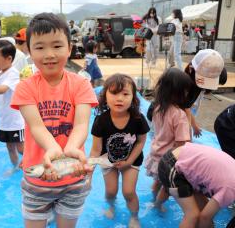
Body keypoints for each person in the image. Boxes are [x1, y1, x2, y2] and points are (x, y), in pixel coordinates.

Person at [10, 13, 98, 228]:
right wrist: (54, 150)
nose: (49, 54)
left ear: (69, 48)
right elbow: (36, 126)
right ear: (29, 51)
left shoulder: (81, 85)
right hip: (38, 181)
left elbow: (81, 124)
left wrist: (70, 149)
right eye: (40, 47)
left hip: (74, 178)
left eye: (57, 46)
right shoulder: (25, 88)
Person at [90, 74, 149, 227]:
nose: (119, 98)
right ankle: (111, 206)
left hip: (131, 160)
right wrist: (88, 174)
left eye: (125, 94)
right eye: (114, 93)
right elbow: (96, 150)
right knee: (111, 191)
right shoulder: (101, 121)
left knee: (128, 192)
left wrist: (128, 162)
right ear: (105, 97)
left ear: (134, 98)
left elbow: (141, 141)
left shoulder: (138, 119)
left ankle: (134, 216)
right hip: (107, 161)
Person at [145, 68, 192, 210]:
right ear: (179, 92)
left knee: (158, 183)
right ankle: (158, 205)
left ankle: (153, 200)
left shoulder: (158, 108)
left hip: (156, 153)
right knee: (167, 188)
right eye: (185, 90)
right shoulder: (179, 115)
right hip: (169, 159)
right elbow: (182, 144)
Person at [158, 142, 235, 227]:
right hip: (173, 165)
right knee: (192, 215)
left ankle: (156, 205)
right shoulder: (231, 190)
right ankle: (157, 205)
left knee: (204, 210)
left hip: (183, 157)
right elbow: (204, 218)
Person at [184, 49, 225, 138]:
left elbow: (188, 108)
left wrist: (193, 127)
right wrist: (189, 132)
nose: (204, 87)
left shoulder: (197, 86)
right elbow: (185, 110)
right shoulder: (185, 86)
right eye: (203, 79)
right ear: (191, 69)